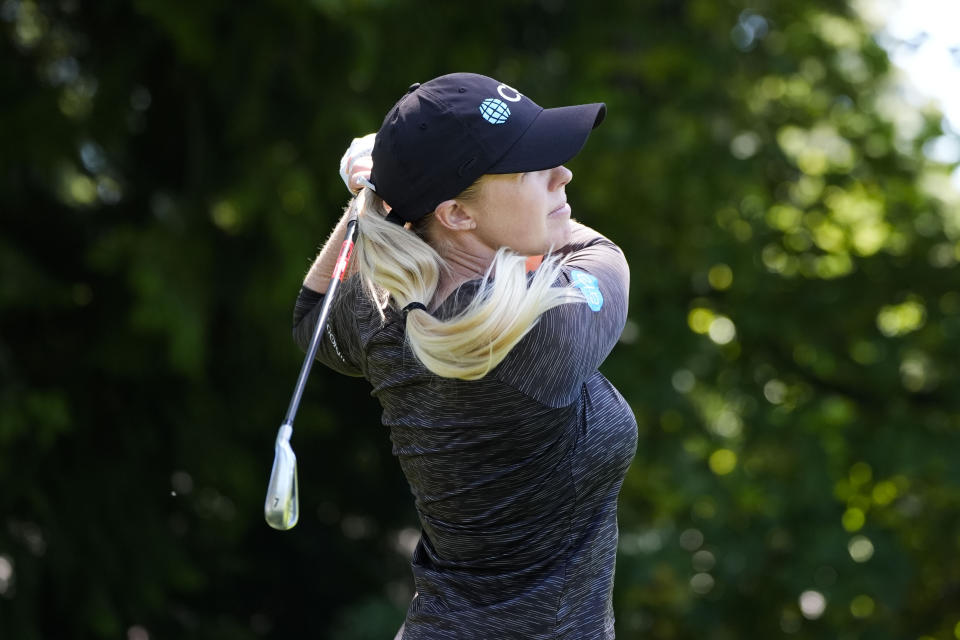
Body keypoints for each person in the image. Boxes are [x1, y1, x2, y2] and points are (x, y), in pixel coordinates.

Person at [292, 73, 637, 640]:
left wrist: (368, 202)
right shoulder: (544, 330)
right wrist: (377, 198)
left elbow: (312, 319)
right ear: (456, 214)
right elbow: (603, 252)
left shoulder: (388, 313)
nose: (563, 174)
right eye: (531, 169)